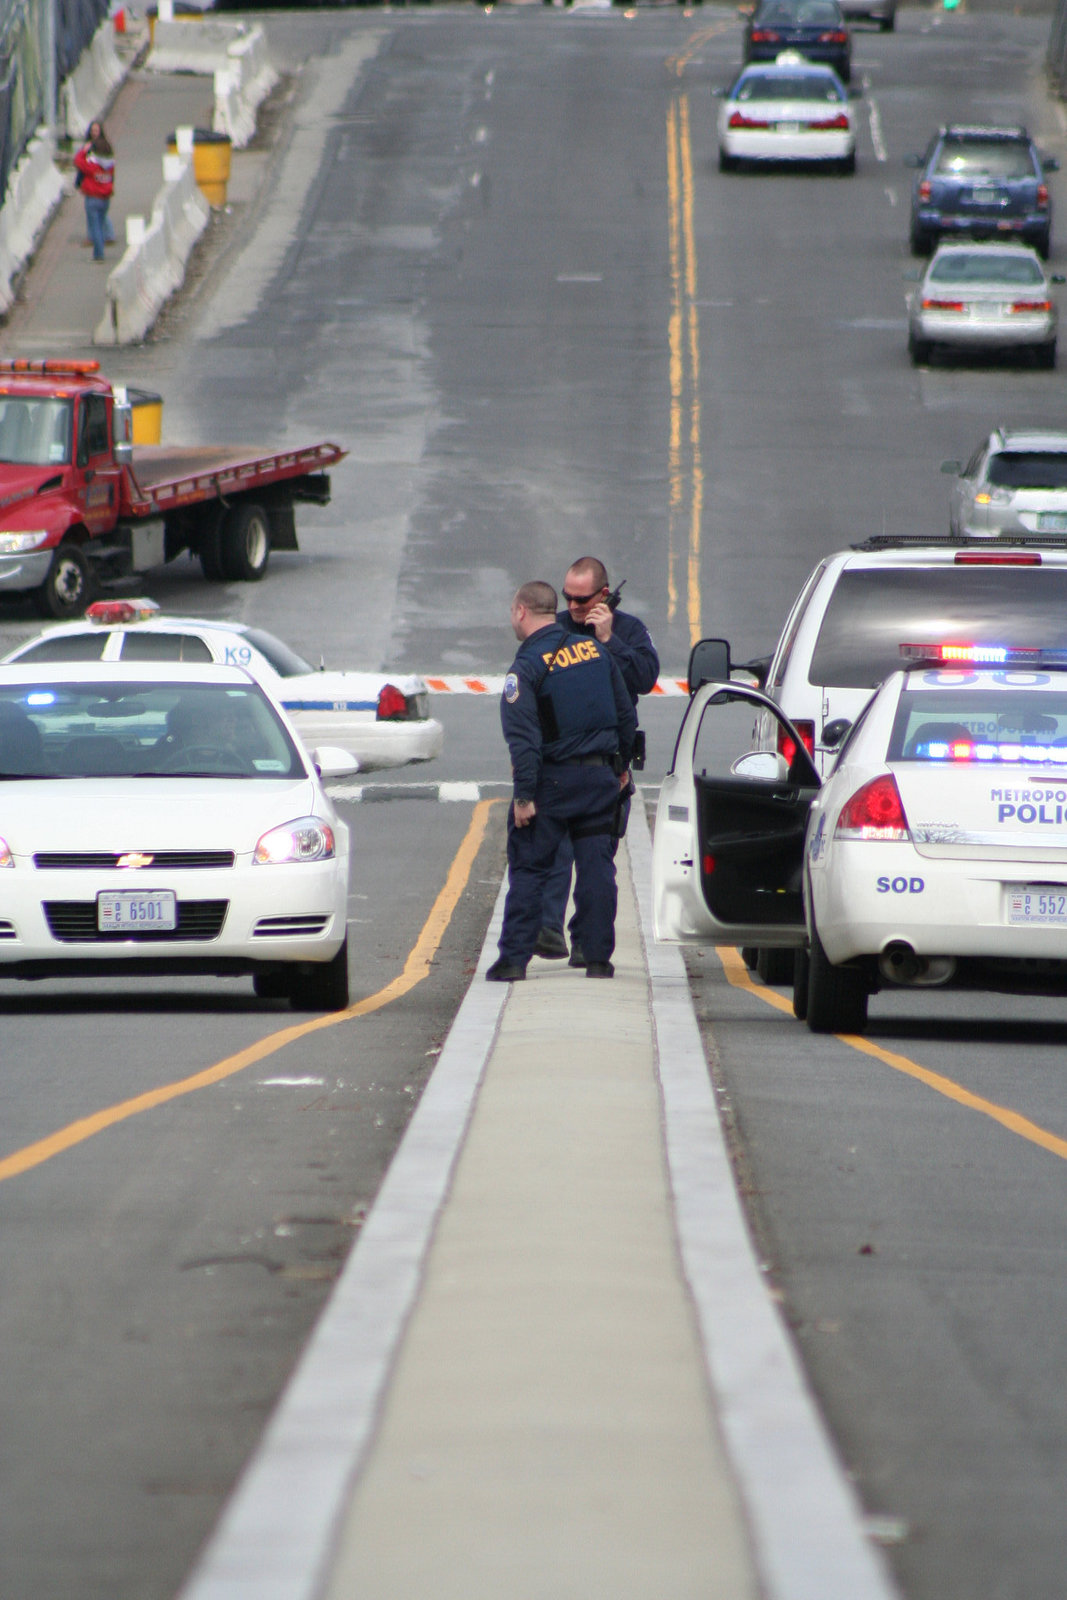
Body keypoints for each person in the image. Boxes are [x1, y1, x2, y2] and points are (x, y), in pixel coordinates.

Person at [487, 581, 636, 983]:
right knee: (597, 869)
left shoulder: (526, 668)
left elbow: (524, 741)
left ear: (521, 611)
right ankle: (598, 959)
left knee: (531, 867)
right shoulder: (596, 651)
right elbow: (625, 714)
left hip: (552, 782)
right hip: (600, 778)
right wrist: (620, 765)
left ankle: (514, 960)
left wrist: (523, 797)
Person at [535, 556, 659, 964]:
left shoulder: (628, 630)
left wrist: (609, 641)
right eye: (568, 597)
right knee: (554, 849)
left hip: (607, 762)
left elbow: (644, 678)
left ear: (605, 595)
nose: (572, 606)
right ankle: (548, 928)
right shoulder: (553, 630)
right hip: (557, 759)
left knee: (597, 856)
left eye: (582, 599)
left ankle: (588, 942)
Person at [74, 121, 116, 262]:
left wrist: (84, 150)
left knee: (95, 226)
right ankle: (108, 236)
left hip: (92, 198)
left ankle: (99, 253)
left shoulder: (91, 166)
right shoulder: (110, 166)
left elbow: (78, 161)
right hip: (105, 198)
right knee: (101, 220)